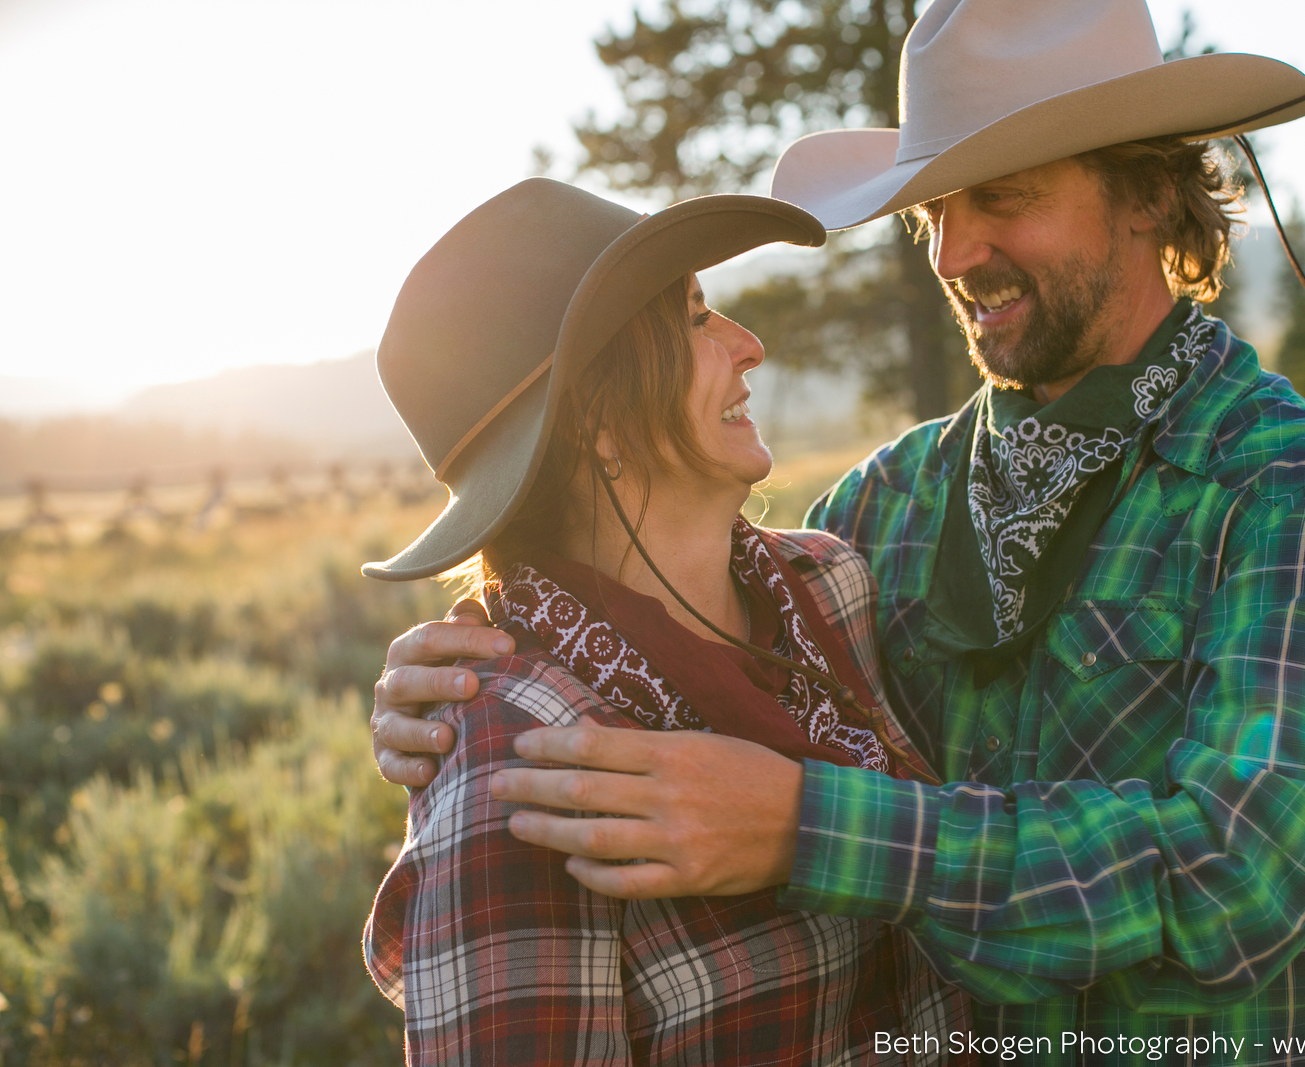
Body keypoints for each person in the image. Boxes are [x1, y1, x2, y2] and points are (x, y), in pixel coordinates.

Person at [372, 0, 1305, 1060]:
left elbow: (1240, 876)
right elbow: (690, 621)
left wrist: (806, 827)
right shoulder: (879, 513)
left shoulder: (1291, 486)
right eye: (932, 214)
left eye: (1003, 198)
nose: (956, 252)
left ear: (1148, 192)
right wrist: (472, 664)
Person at [360, 178, 970, 1065]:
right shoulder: (520, 763)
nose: (748, 345)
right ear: (599, 419)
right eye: (693, 319)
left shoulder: (832, 586)